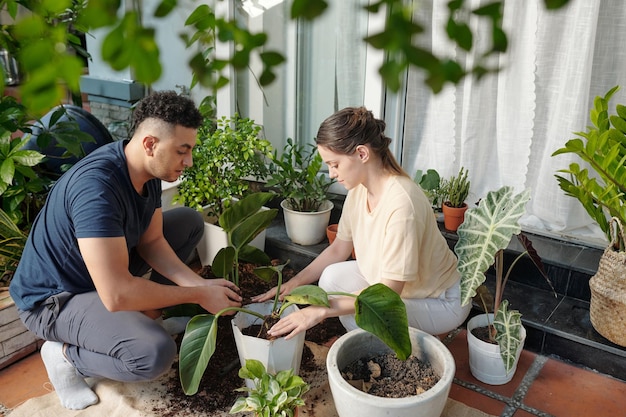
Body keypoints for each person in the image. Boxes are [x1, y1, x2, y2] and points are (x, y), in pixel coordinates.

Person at [9, 90, 242, 410]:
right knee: (153, 353)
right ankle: (65, 356)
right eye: (182, 151)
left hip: (100, 276)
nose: (188, 162)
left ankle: (143, 316)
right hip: (55, 299)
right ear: (150, 144)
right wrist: (197, 295)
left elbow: (152, 242)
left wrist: (200, 285)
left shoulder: (149, 171)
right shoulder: (96, 190)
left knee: (187, 221)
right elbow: (117, 293)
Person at [254, 106, 471, 340]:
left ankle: (390, 354)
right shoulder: (359, 189)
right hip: (401, 287)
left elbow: (388, 292)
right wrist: (293, 283)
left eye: (334, 164)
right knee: (330, 279)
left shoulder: (402, 203)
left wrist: (318, 312)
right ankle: (395, 336)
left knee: (358, 312)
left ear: (362, 154)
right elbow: (339, 248)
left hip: (439, 300)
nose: (331, 174)